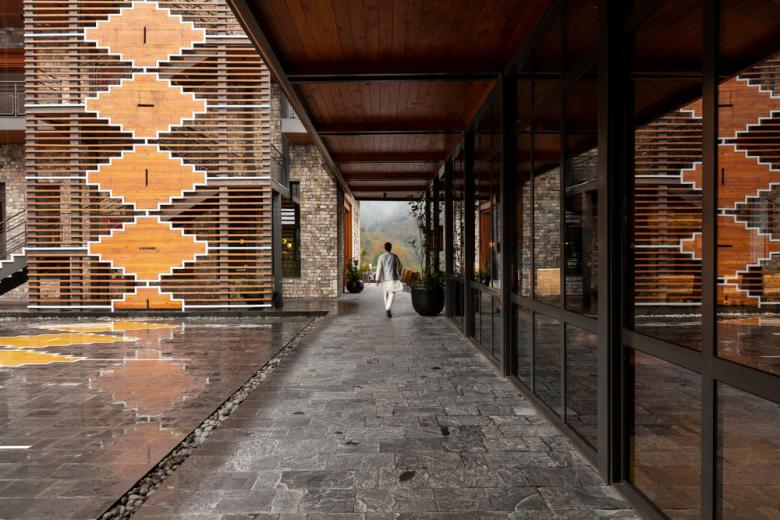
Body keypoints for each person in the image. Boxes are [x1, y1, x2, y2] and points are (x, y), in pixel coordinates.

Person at [375, 242, 403, 317]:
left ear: (385, 248)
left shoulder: (381, 257)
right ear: (391, 248)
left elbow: (379, 268)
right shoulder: (394, 256)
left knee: (385, 293)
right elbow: (400, 266)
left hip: (384, 278)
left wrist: (377, 279)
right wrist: (399, 274)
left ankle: (387, 308)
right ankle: (388, 309)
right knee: (392, 293)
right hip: (393, 277)